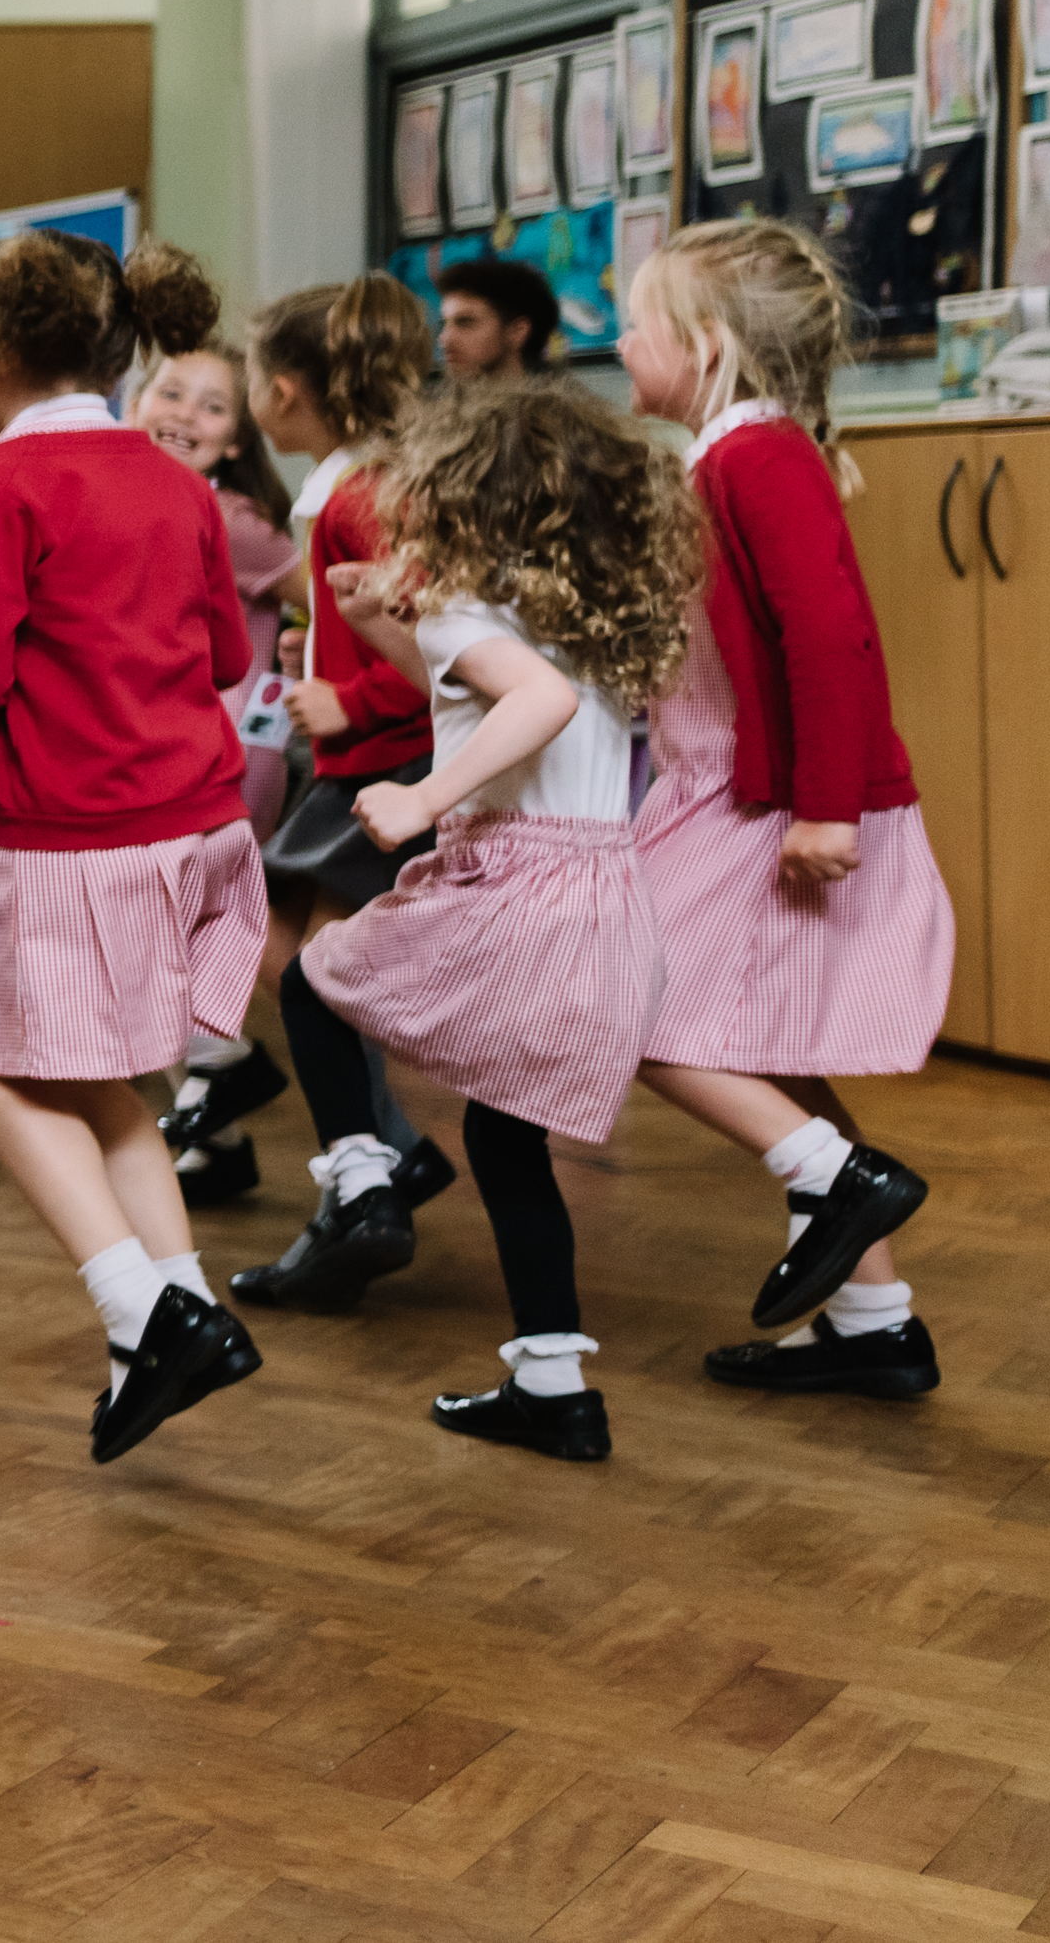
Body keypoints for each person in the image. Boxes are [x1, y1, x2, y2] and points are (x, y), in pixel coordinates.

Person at [0, 232, 270, 1465]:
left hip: (74, 836)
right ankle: (180, 1318)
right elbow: (227, 657)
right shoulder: (176, 481)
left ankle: (137, 1307)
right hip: (199, 824)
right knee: (104, 1082)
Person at [300, 375, 699, 1459]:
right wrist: (390, 627)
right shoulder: (580, 619)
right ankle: (555, 1385)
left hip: (517, 883)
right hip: (598, 893)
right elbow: (488, 698)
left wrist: (420, 800)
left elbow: (534, 704)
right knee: (500, 1132)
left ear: (453, 498)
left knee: (312, 981)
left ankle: (364, 1173)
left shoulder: (479, 619)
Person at [620, 220, 954, 1397]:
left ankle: (835, 1175)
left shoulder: (759, 458)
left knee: (629, 994)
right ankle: (874, 1318)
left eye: (638, 322)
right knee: (768, 1050)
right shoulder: (728, 457)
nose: (617, 337)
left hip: (777, 808)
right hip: (730, 793)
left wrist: (827, 812)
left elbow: (830, 637)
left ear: (706, 347)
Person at [205, 276, 461, 1312]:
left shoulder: (361, 496)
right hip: (362, 765)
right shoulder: (342, 490)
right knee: (282, 947)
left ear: (283, 391)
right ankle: (380, 1159)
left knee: (299, 961)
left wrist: (349, 699)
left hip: (385, 766)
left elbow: (437, 650)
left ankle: (371, 1171)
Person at [135, 338, 305, 1211]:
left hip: (230, 753)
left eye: (211, 407)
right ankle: (216, 1130)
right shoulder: (153, 493)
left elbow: (314, 584)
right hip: (175, 751)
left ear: (238, 437)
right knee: (171, 928)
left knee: (165, 924)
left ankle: (228, 1070)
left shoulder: (230, 515)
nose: (183, 415)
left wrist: (308, 654)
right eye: (171, 391)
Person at [436, 254, 561, 379]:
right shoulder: (438, 398)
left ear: (518, 331)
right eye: (444, 324)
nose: (445, 340)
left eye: (466, 323)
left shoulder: (566, 398)